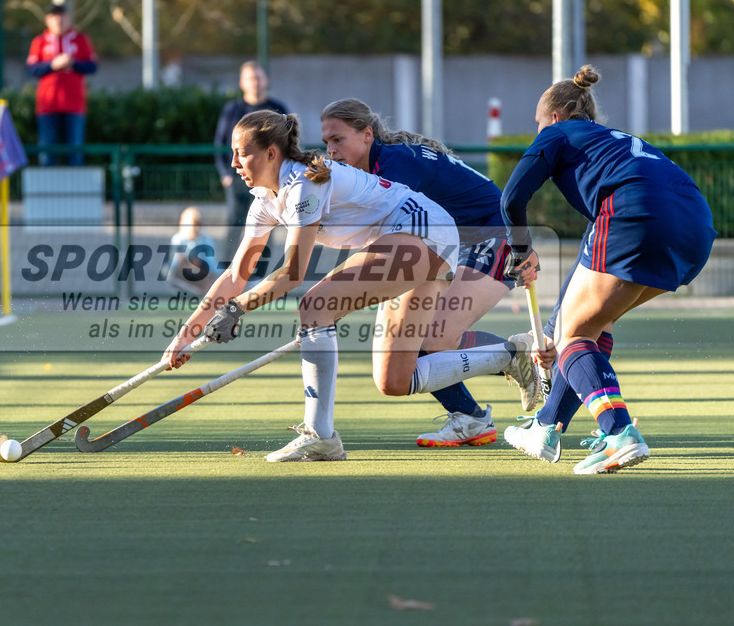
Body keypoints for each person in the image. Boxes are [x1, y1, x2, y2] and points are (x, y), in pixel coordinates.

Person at [165, 110, 460, 462]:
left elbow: (292, 273)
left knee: (316, 306)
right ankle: (508, 356)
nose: (233, 163)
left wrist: (237, 308)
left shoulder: (304, 183)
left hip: (425, 231)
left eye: (241, 153)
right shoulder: (264, 200)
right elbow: (234, 276)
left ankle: (320, 436)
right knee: (395, 379)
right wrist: (187, 334)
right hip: (412, 237)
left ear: (271, 154)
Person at [500, 65, 716, 475]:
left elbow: (511, 199)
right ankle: (546, 427)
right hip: (695, 226)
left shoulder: (557, 134)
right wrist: (556, 331)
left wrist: (520, 250)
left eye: (538, 123)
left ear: (558, 117)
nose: (538, 132)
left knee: (575, 335)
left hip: (634, 215)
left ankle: (619, 434)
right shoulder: (617, 144)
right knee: (590, 325)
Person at [319, 98, 537, 447]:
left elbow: (388, 242)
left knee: (433, 338)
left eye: (338, 140)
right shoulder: (371, 171)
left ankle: (521, 356)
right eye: (326, 142)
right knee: (407, 355)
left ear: (366, 135)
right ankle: (472, 417)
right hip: (446, 249)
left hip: (492, 235)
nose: (331, 150)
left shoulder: (394, 165)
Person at [214, 61, 290, 258]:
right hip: (238, 180)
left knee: (266, 227)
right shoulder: (232, 110)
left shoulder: (277, 108)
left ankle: (259, 276)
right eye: (250, 78)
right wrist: (225, 175)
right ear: (242, 83)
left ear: (266, 81)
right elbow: (220, 144)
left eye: (258, 77)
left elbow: (288, 143)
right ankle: (227, 271)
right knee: (235, 224)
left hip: (268, 182)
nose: (255, 82)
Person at [26, 2, 98, 166]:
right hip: (47, 105)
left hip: (74, 104)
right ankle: (48, 190)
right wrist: (53, 65)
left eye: (62, 16)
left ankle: (74, 189)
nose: (58, 20)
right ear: (47, 20)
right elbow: (32, 69)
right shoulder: (40, 41)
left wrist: (72, 64)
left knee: (74, 150)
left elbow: (92, 66)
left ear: (68, 18)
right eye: (54, 16)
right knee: (47, 150)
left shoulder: (80, 40)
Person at [166, 206, 219, 296]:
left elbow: (212, 265)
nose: (196, 228)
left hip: (202, 276)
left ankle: (205, 296)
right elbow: (174, 265)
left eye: (198, 224)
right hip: (183, 274)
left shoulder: (207, 240)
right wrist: (189, 263)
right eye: (193, 224)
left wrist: (199, 265)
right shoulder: (178, 239)